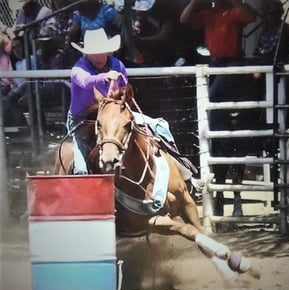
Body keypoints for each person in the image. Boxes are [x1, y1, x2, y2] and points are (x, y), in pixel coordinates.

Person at [68, 28, 203, 194]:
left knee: (161, 126)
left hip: (114, 115)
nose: (98, 57)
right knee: (81, 167)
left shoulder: (118, 65)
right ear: (86, 54)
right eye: (93, 53)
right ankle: (82, 195)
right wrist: (103, 77)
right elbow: (85, 81)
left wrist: (118, 90)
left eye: (101, 52)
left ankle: (185, 174)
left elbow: (124, 91)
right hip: (84, 119)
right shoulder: (79, 68)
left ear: (107, 51)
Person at [181, 0, 257, 216]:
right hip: (216, 67)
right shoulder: (208, 13)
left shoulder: (233, 11)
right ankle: (223, 198)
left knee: (232, 140)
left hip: (230, 68)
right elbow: (185, 19)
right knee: (219, 142)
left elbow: (250, 16)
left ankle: (234, 199)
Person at [132, 0, 201, 66]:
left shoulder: (168, 12)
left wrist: (142, 41)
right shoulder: (143, 16)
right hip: (155, 56)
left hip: (177, 54)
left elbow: (164, 36)